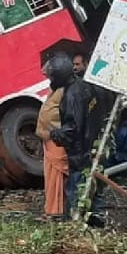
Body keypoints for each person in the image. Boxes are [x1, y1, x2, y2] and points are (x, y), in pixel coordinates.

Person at [48, 52, 104, 225]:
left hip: (80, 152)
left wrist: (56, 134)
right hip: (91, 145)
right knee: (92, 191)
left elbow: (73, 127)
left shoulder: (72, 95)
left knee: (75, 192)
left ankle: (78, 227)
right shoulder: (83, 85)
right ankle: (93, 222)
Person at [36, 61, 68, 219]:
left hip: (57, 140)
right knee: (51, 178)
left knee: (58, 177)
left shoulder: (65, 91)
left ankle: (57, 211)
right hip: (50, 139)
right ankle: (51, 209)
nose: (44, 73)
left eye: (48, 71)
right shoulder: (55, 89)